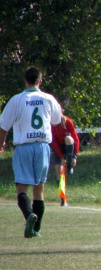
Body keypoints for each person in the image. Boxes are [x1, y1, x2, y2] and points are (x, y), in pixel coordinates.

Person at [0, 66, 62, 238]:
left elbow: (3, 125)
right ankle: (36, 230)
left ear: (25, 80)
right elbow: (57, 120)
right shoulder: (48, 99)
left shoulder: (17, 100)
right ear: (40, 81)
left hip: (24, 147)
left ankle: (29, 216)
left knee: (21, 188)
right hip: (42, 146)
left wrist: (1, 143)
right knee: (39, 189)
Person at [51, 113, 80, 206]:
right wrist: (61, 158)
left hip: (68, 147)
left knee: (68, 138)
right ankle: (63, 199)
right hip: (58, 149)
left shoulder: (68, 122)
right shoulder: (51, 124)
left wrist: (74, 156)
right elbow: (54, 143)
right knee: (59, 174)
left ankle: (70, 165)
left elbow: (75, 139)